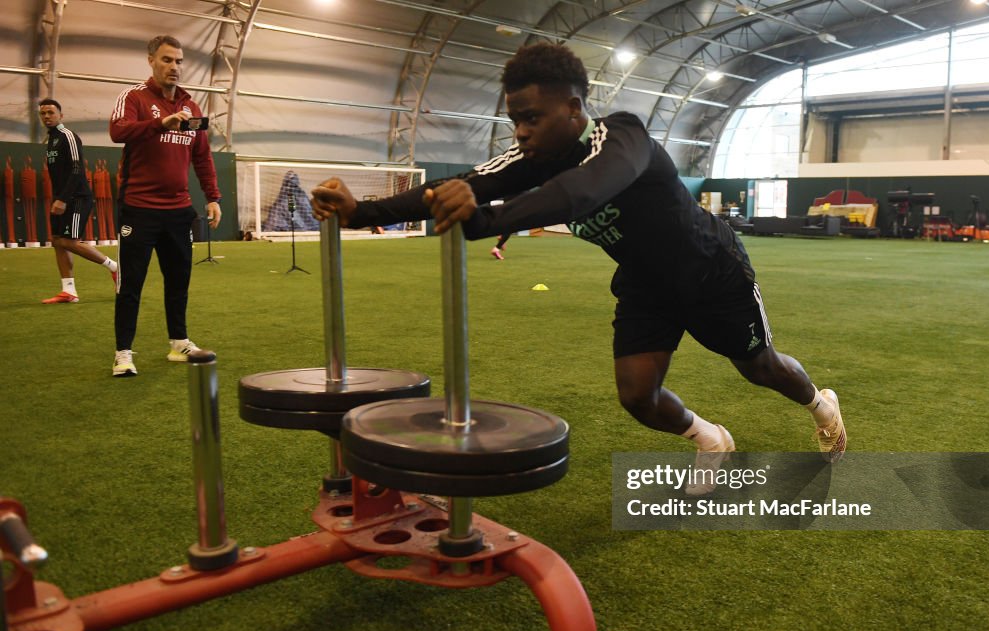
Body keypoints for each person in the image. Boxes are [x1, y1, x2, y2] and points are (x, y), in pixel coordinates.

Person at [311, 43, 845, 485]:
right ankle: (711, 438)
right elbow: (466, 184)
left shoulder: (622, 137)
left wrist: (487, 221)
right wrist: (361, 212)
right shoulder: (533, 156)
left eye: (531, 118)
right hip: (646, 285)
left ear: (573, 107)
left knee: (760, 368)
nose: (520, 131)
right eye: (514, 119)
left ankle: (820, 404)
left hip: (712, 271)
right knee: (637, 395)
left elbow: (581, 192)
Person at [108, 35, 222, 377]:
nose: (174, 67)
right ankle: (123, 353)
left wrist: (213, 197)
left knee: (178, 281)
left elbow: (202, 156)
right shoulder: (134, 97)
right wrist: (160, 123)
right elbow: (118, 130)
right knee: (131, 285)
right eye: (167, 60)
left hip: (179, 211)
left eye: (179, 61)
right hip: (139, 208)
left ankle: (179, 342)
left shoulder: (192, 107)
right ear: (151, 61)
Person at [37, 99, 119, 304]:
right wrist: (58, 198)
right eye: (43, 113)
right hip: (61, 198)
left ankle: (115, 267)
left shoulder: (68, 136)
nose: (47, 116)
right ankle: (69, 291)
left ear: (60, 116)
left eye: (51, 112)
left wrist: (63, 199)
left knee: (68, 241)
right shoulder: (51, 139)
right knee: (57, 241)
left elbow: (76, 169)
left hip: (77, 198)